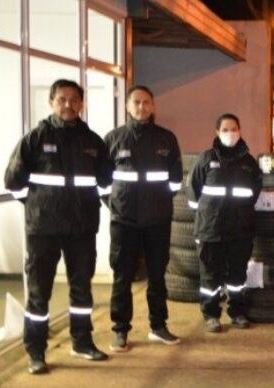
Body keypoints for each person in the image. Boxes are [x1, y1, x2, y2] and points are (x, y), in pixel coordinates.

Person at [4, 79, 113, 374]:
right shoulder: (36, 138)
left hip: (82, 228)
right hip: (44, 229)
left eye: (74, 100)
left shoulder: (93, 142)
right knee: (40, 291)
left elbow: (105, 181)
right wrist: (36, 205)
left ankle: (82, 342)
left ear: (82, 103)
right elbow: (13, 181)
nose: (68, 105)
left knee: (81, 289)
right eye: (62, 99)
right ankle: (36, 352)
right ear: (52, 102)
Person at [103, 85, 183, 352]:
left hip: (157, 222)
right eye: (136, 102)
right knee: (122, 277)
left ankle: (158, 327)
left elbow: (175, 180)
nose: (141, 107)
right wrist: (114, 205)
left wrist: (160, 204)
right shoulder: (113, 139)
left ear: (153, 106)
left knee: (157, 276)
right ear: (127, 106)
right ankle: (120, 330)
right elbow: (101, 182)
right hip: (124, 222)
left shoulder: (166, 139)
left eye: (146, 102)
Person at [186, 113, 261, 332]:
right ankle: (211, 315)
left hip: (240, 230)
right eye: (225, 129)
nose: (230, 133)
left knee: (238, 276)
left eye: (234, 128)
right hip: (211, 230)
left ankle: (237, 313)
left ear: (240, 131)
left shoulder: (249, 163)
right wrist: (205, 217)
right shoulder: (206, 159)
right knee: (210, 276)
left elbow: (254, 191)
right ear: (217, 132)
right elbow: (192, 191)